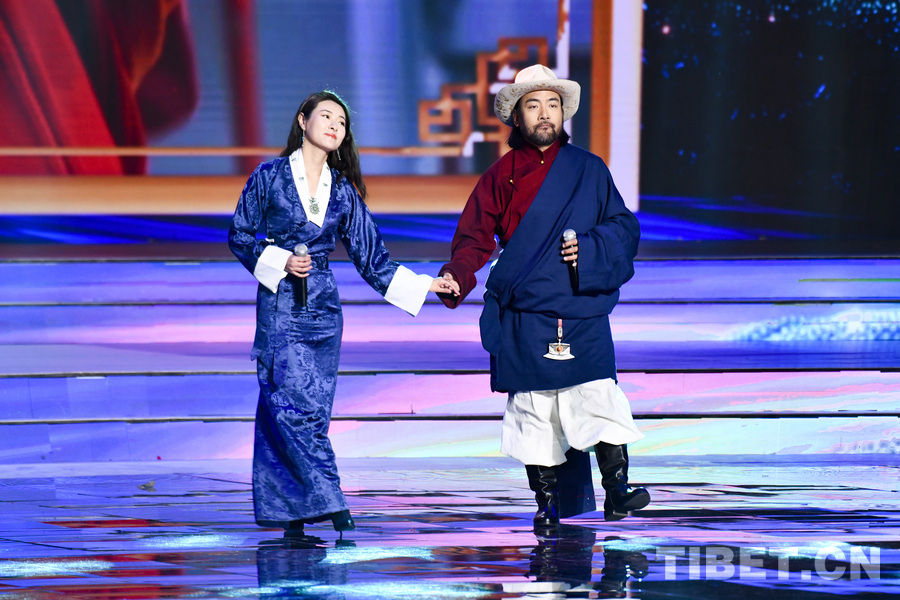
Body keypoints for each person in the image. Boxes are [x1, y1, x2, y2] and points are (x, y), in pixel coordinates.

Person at [229, 90, 459, 537]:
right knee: (288, 406)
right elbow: (240, 235)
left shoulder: (343, 191)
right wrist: (280, 259)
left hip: (324, 310)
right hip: (281, 307)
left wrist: (427, 284)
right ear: (303, 121)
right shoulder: (269, 176)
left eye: (342, 121)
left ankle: (291, 514)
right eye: (327, 116)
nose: (335, 125)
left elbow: (373, 258)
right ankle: (331, 499)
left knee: (309, 412)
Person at [438, 65, 649, 525]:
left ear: (563, 112)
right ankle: (546, 505)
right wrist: (456, 275)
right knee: (536, 411)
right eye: (533, 105)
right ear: (517, 116)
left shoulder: (589, 169)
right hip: (526, 310)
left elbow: (623, 226)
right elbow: (474, 239)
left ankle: (618, 491)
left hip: (580, 306)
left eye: (553, 104)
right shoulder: (499, 176)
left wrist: (589, 247)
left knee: (599, 395)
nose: (545, 113)